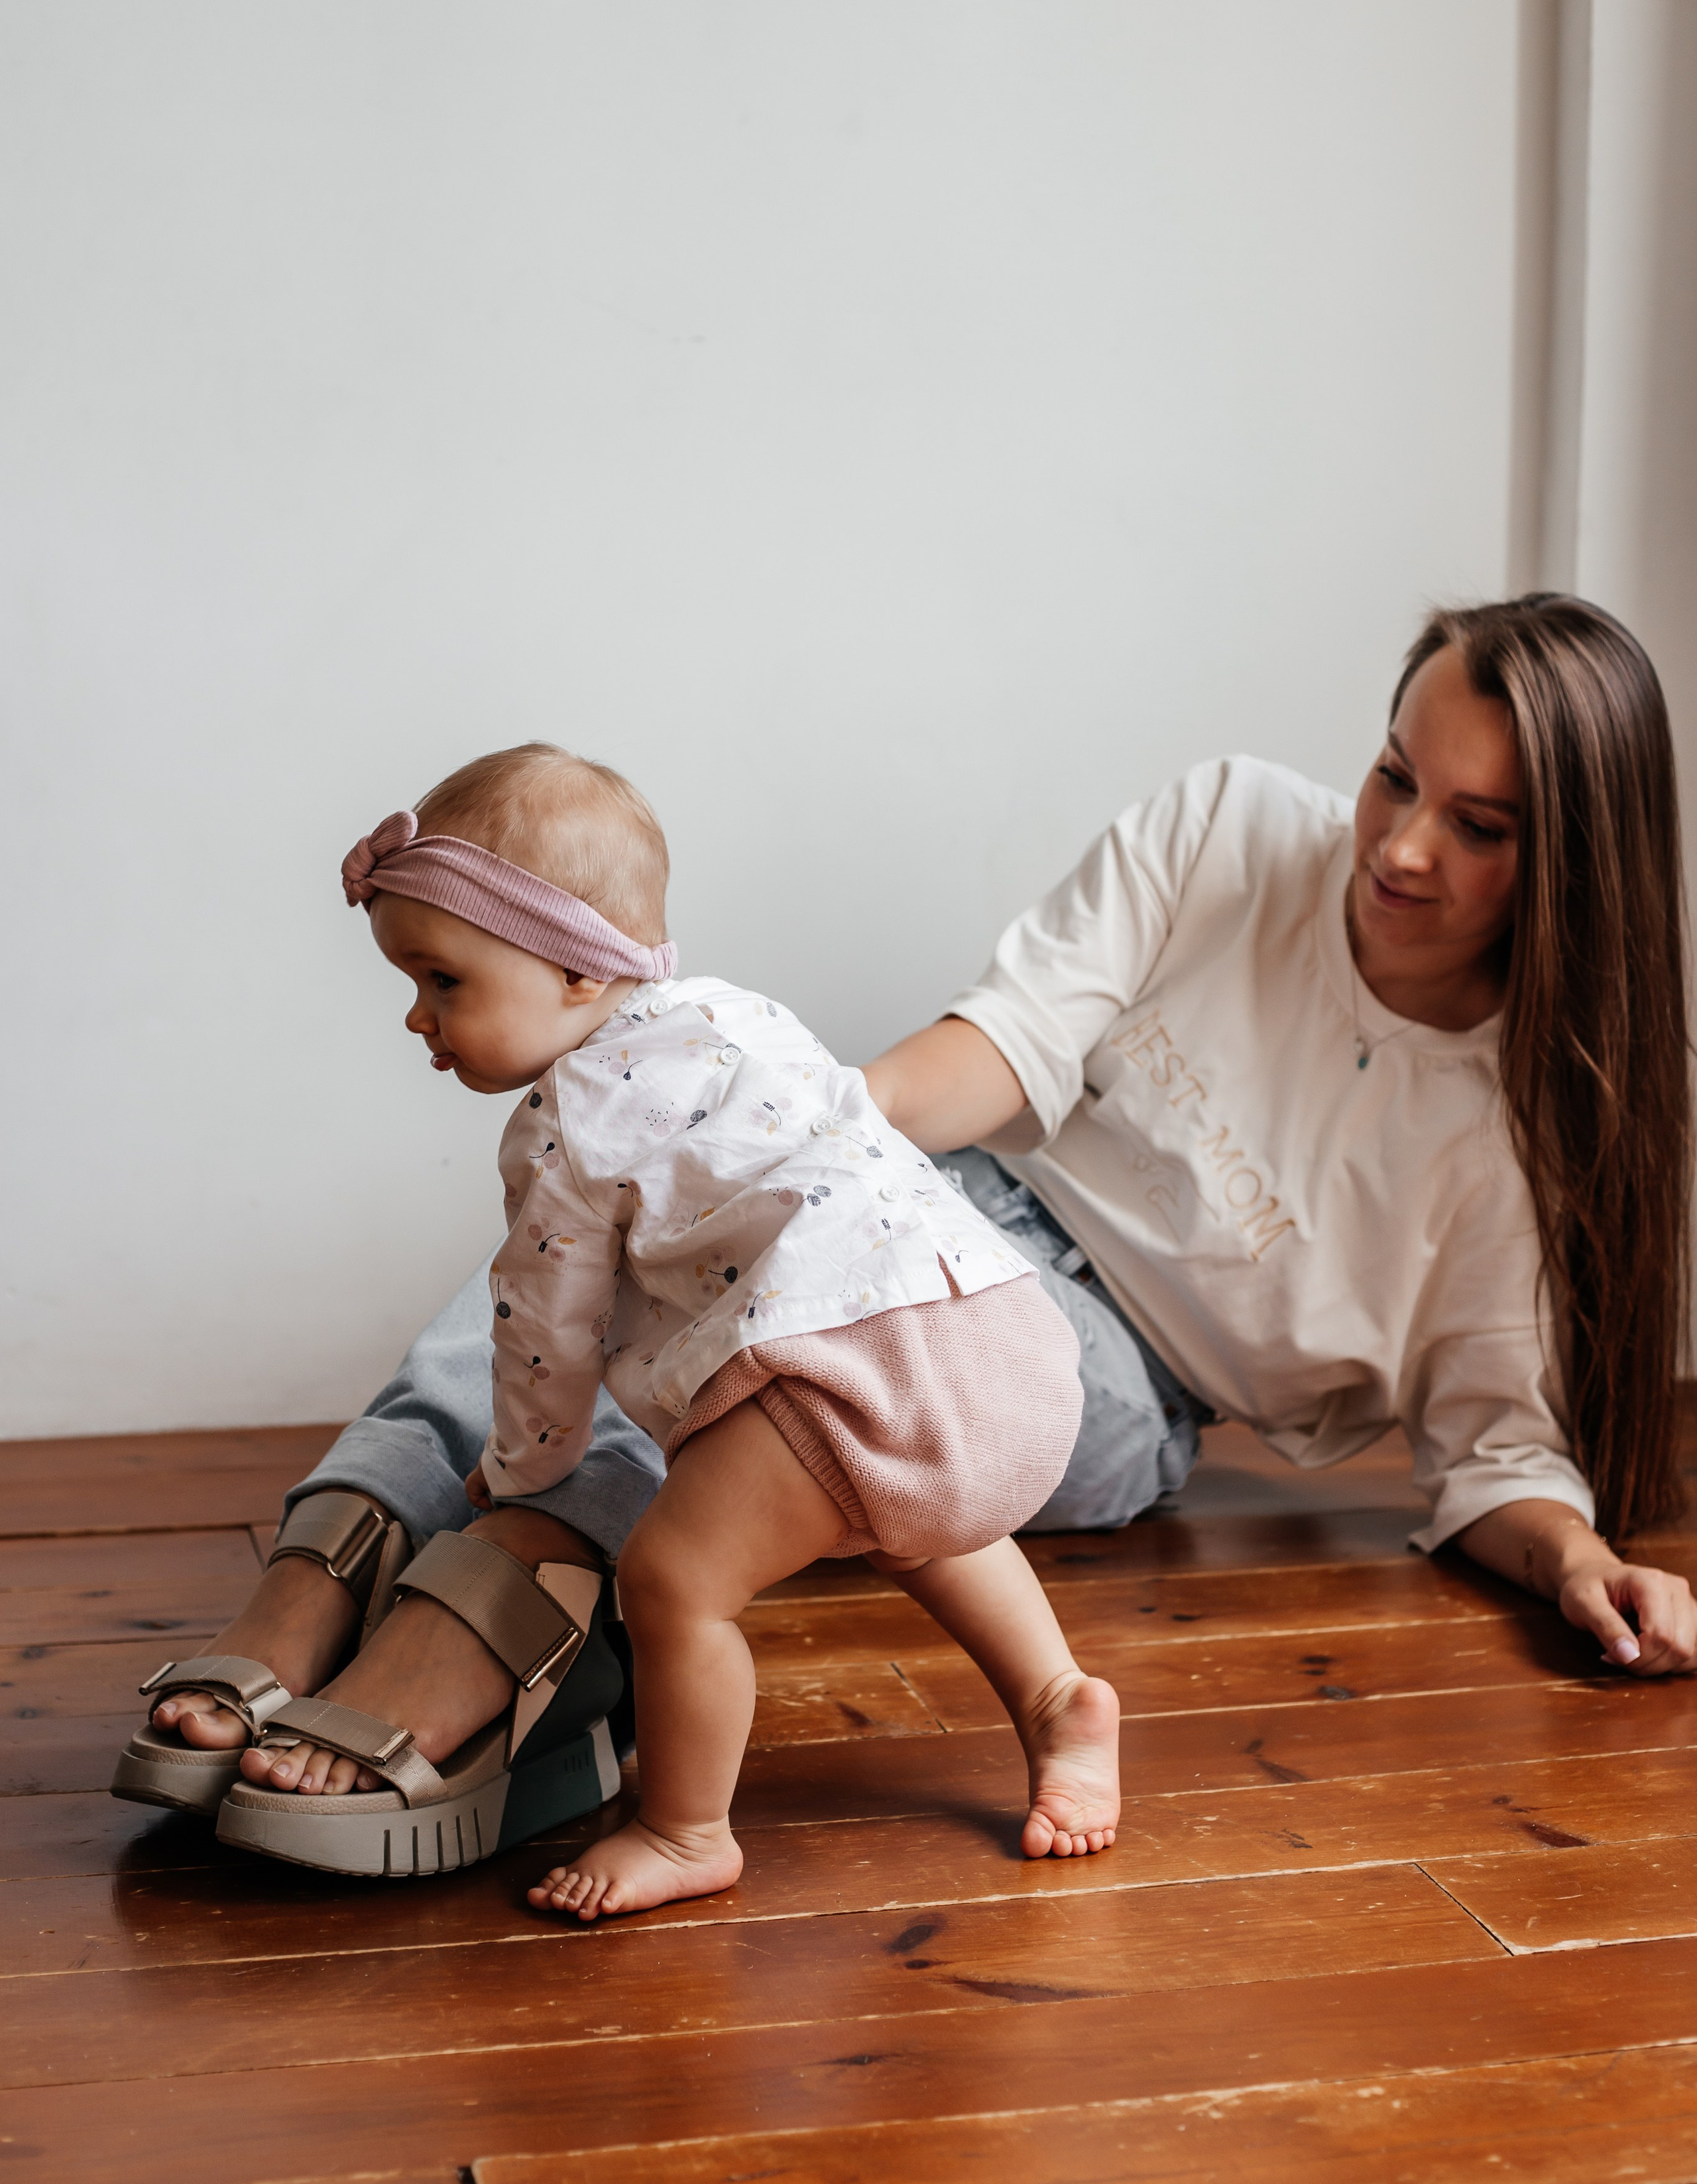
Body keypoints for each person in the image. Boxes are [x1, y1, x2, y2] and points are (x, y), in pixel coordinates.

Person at [117, 593, 1697, 1862]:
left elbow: (1489, 1441)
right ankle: (331, 1560)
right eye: (1393, 775)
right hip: (953, 1194)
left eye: (1478, 827)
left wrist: (1573, 1560)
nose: (1400, 845)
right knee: (584, 1261)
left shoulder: (1519, 1129)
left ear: (1569, 860)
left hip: (1107, 1377)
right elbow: (1005, 1043)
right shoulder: (1231, 825)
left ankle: (490, 1620)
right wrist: (771, 1158)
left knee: (739, 1392)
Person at [140, 745, 1119, 1895]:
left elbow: (548, 1336)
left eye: (444, 981)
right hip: (1001, 1325)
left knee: (675, 1582)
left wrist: (524, 1470)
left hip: (843, 1354)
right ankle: (1058, 1699)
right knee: (913, 1519)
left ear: (575, 971)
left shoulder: (568, 1119)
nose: (418, 1017)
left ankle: (688, 1834)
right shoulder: (738, 1013)